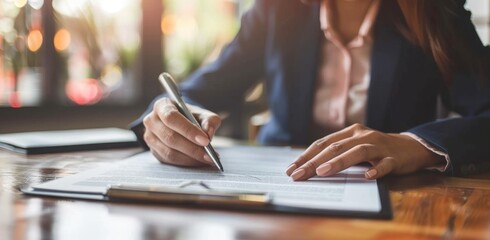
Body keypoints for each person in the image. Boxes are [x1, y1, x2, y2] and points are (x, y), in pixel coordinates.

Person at [131, 0, 490, 181]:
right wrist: (168, 114)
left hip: (392, 206)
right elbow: (197, 91)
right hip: (280, 196)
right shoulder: (276, 11)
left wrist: (416, 144)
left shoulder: (435, 14)